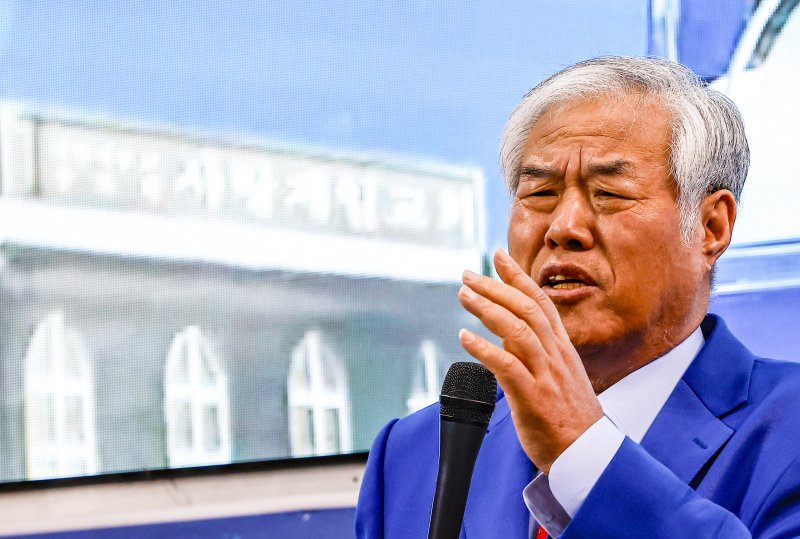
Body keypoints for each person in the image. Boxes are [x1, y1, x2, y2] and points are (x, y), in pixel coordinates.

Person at [354, 56, 800, 538]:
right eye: (540, 193)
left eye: (609, 193)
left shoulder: (786, 431)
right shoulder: (412, 455)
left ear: (711, 227)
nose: (564, 228)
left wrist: (584, 452)